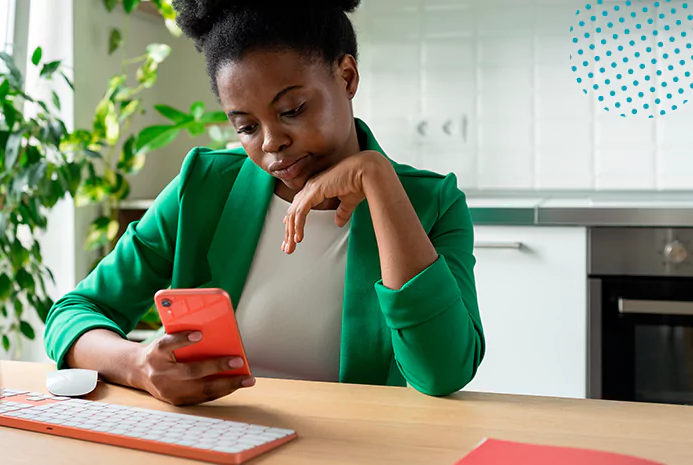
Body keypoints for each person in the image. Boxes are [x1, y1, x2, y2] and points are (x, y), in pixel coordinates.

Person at [44, 0, 485, 406]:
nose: (273, 143)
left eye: (292, 110)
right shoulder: (203, 187)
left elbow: (442, 372)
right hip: (214, 440)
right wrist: (137, 366)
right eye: (247, 126)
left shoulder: (431, 203)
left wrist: (378, 179)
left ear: (347, 76)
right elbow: (73, 314)